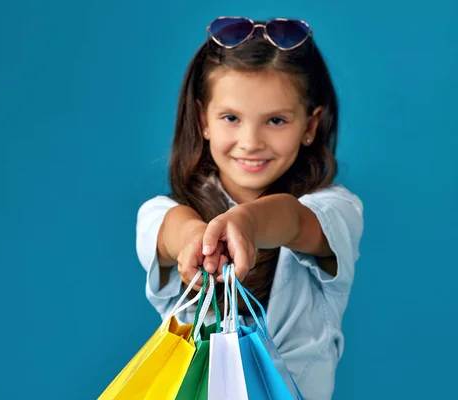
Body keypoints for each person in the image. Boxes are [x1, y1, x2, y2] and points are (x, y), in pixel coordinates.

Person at [135, 16, 364, 399]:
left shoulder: (336, 210)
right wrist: (197, 237)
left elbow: (292, 219)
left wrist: (247, 223)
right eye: (231, 118)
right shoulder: (165, 213)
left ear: (311, 125)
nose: (250, 141)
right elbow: (169, 228)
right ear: (202, 119)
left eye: (276, 120)